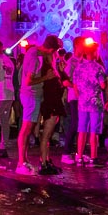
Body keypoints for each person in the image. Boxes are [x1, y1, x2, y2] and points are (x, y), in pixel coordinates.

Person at [70, 44, 108, 166]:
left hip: (82, 102)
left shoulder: (78, 68)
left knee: (82, 130)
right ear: (94, 53)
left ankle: (79, 157)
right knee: (94, 131)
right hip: (95, 102)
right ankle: (93, 157)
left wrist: (81, 96)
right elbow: (103, 85)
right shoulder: (98, 68)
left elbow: (75, 87)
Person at [15, 42, 50, 173]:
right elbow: (29, 81)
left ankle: (23, 160)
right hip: (31, 96)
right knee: (26, 129)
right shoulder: (34, 58)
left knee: (27, 129)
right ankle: (21, 162)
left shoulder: (32, 52)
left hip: (30, 95)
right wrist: (46, 77)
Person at [36, 36, 68, 175]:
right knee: (46, 134)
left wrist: (61, 72)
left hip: (54, 102)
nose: (56, 54)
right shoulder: (47, 67)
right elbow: (51, 87)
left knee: (48, 135)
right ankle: (43, 163)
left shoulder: (52, 67)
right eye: (55, 51)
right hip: (50, 103)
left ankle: (46, 160)